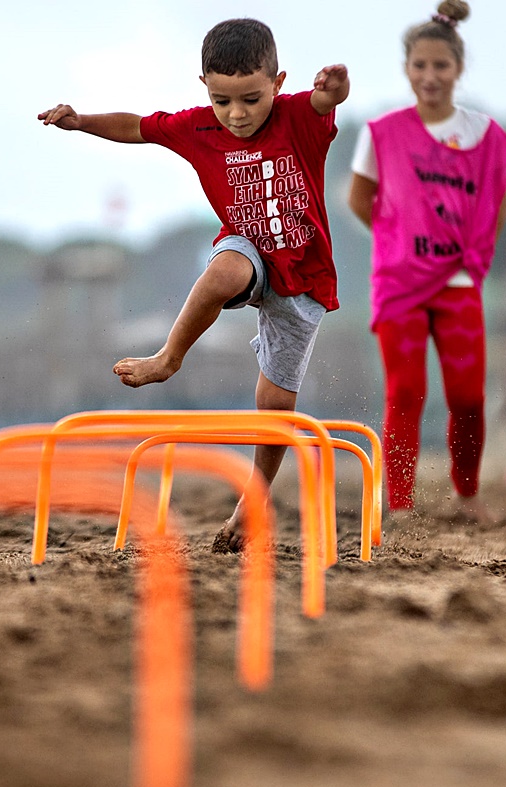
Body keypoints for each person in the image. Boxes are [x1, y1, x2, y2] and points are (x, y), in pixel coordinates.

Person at [38, 18, 350, 549]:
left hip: (303, 277)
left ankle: (252, 501)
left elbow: (326, 103)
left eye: (251, 99)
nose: (237, 114)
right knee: (225, 269)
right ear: (205, 88)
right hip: (247, 250)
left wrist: (335, 88)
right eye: (223, 100)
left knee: (275, 404)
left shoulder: (298, 114)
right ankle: (169, 357)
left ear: (277, 83)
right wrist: (81, 121)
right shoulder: (200, 127)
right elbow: (138, 127)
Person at [347, 1, 506, 521]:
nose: (430, 76)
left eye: (441, 65)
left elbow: (502, 200)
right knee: (406, 392)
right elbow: (361, 200)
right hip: (399, 281)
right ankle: (397, 502)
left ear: (458, 69)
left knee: (467, 396)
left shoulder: (484, 134)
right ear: (406, 69)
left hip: (460, 279)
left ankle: (466, 495)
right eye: (420, 66)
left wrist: (478, 252)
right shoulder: (380, 132)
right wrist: (396, 236)